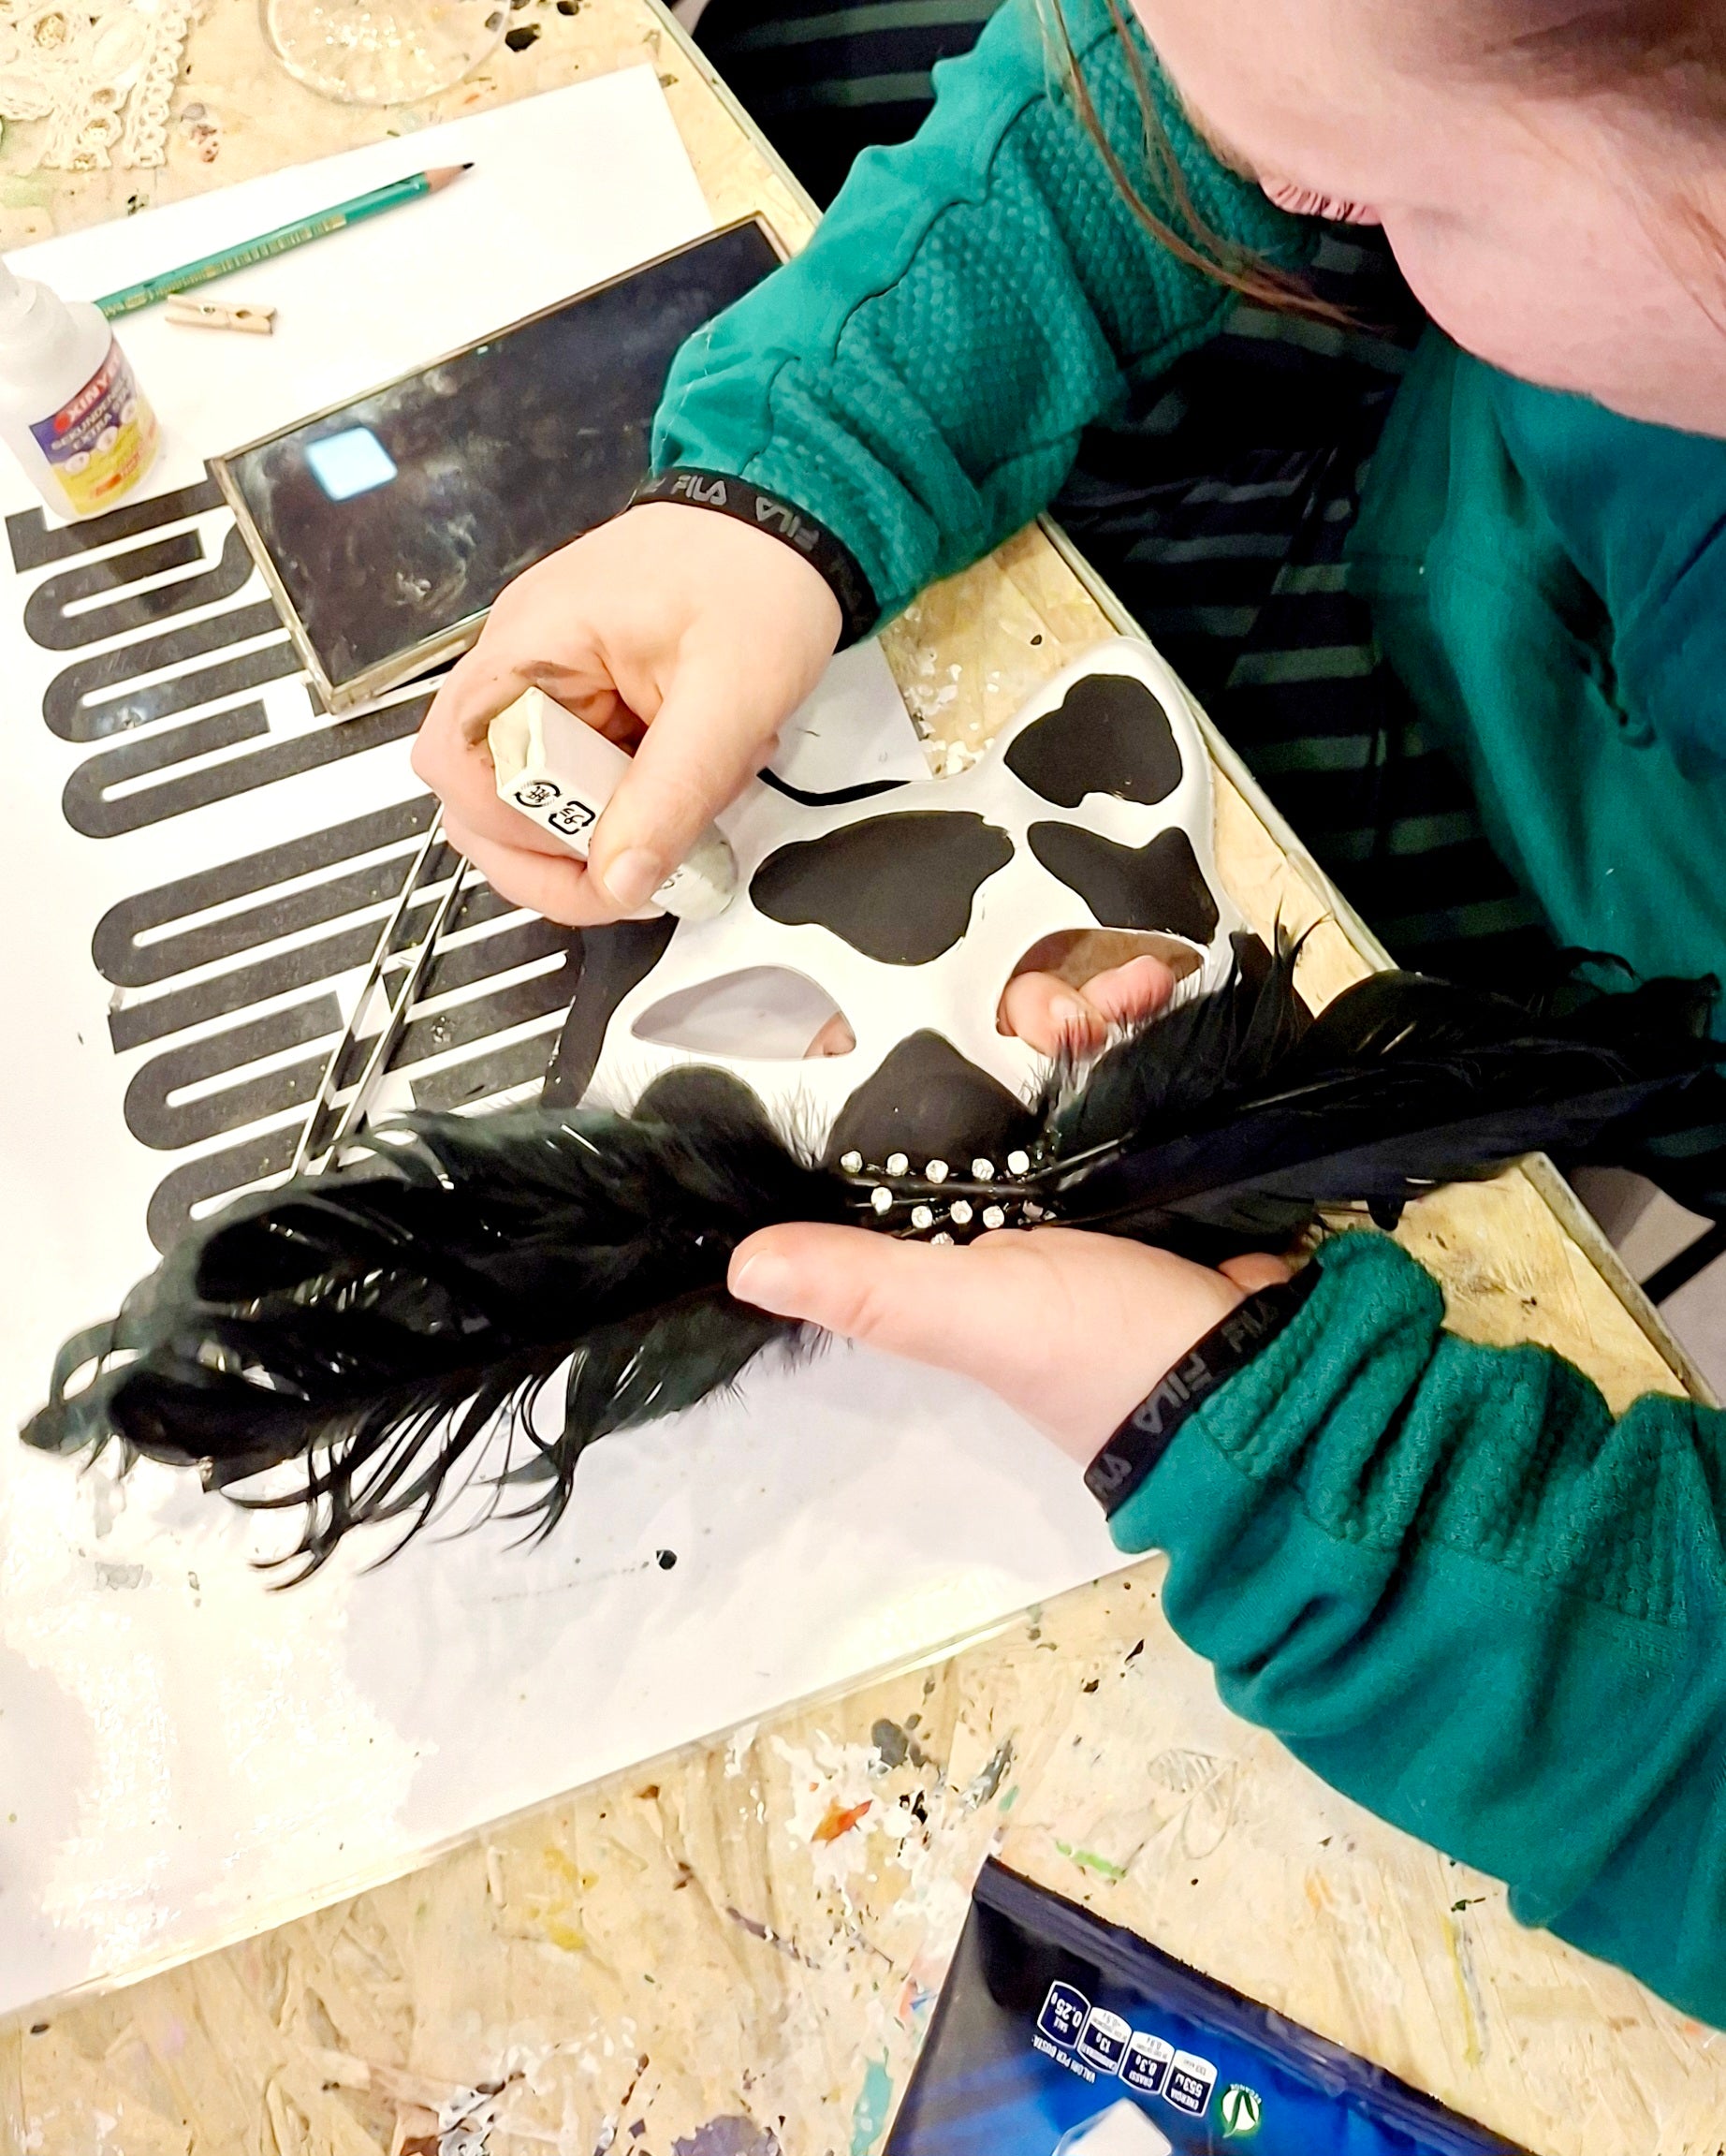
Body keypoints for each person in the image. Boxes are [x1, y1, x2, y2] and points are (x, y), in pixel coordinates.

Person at [412, 0, 1726, 2025]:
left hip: (1631, 905)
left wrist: (1317, 1470)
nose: (1293, 195)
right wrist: (779, 496)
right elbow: (1221, 81)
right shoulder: (1565, 200)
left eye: (1380, 195)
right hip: (1490, 554)